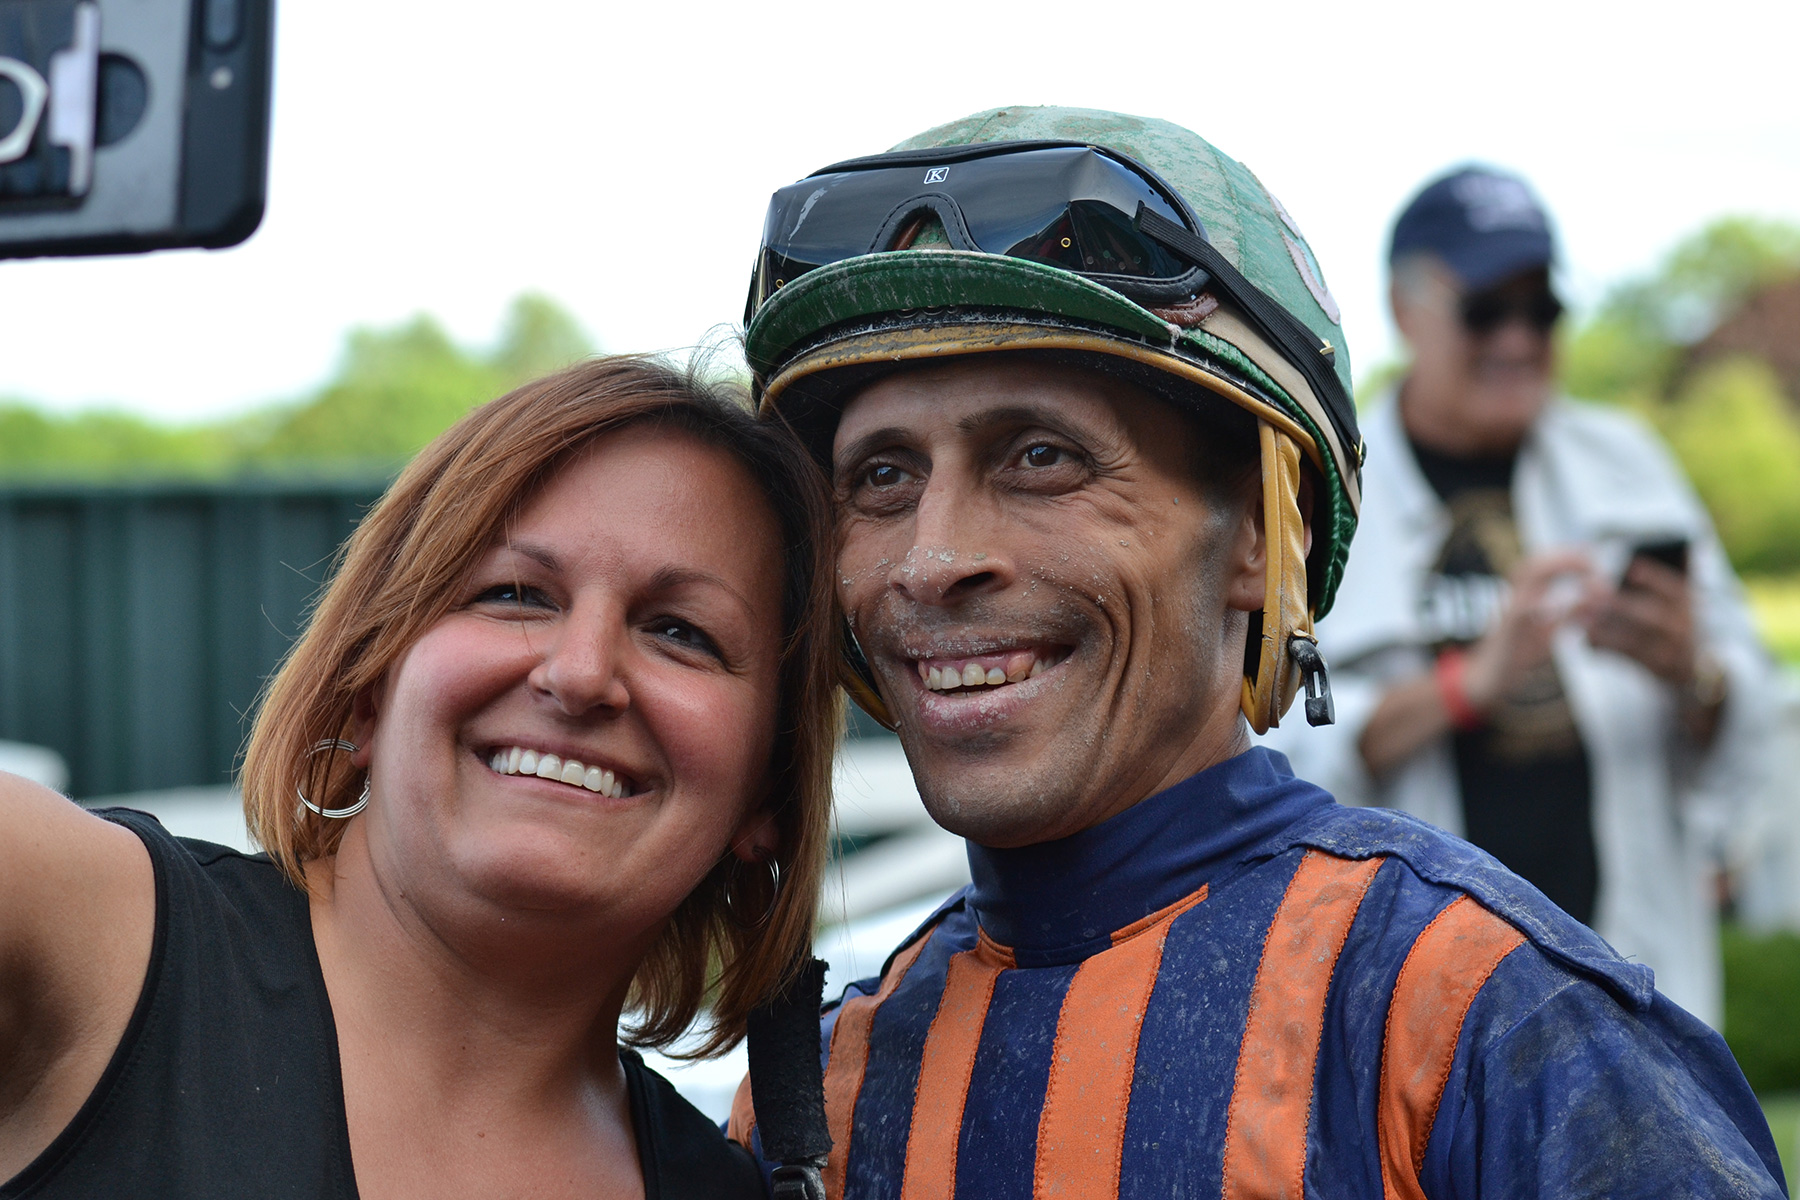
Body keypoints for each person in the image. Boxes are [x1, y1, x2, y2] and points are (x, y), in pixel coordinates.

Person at [726, 108, 1784, 1196]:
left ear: (1258, 537)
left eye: (1041, 456)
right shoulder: (813, 1089)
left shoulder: (1494, 1025)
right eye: (882, 478)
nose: (932, 558)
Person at [0, 355, 841, 1198]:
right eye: (515, 594)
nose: (581, 673)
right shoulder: (83, 935)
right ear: (369, 684)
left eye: (682, 632)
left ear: (769, 789)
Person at [1265, 167, 1777, 1029]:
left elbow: (1750, 729)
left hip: (1631, 984)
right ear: (1404, 310)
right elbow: (1278, 749)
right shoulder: (1322, 491)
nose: (1518, 339)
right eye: (1485, 310)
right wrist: (1473, 682)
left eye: (1541, 311)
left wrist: (1693, 672)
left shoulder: (1628, 459)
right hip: (1417, 1003)